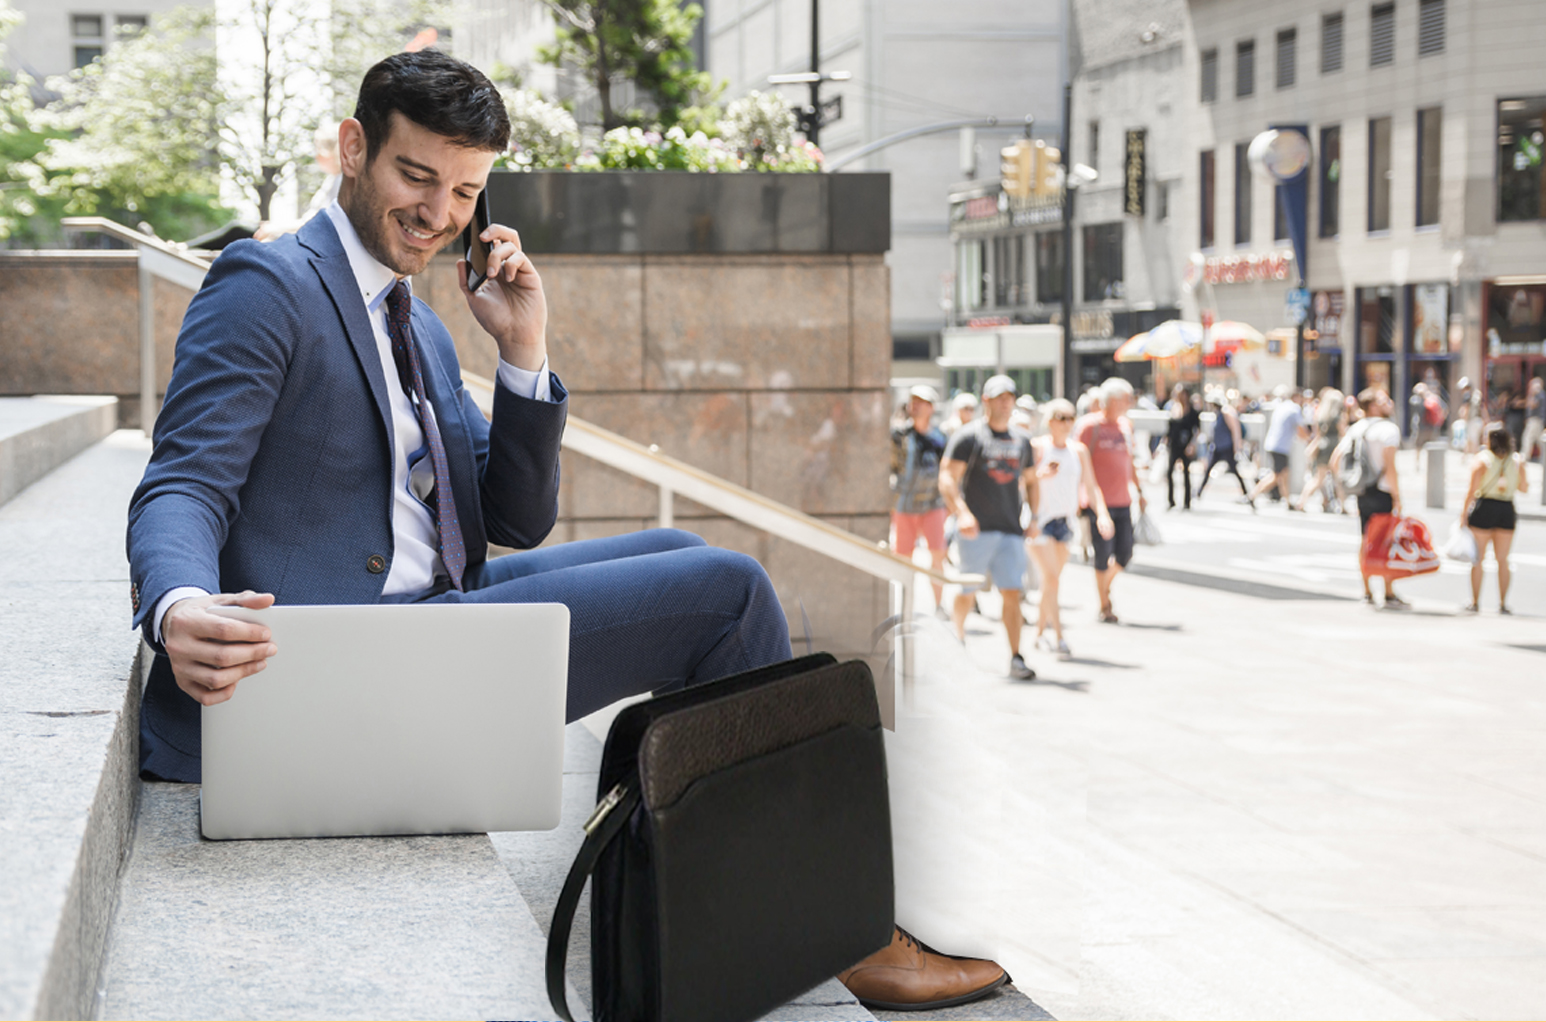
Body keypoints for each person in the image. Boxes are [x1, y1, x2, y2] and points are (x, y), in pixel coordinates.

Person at [127, 49, 1008, 1012]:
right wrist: (178, 606)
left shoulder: (414, 323)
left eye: (465, 190)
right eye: (415, 176)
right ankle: (824, 926)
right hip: (318, 669)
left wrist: (522, 351)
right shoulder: (271, 284)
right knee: (729, 592)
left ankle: (692, 878)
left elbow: (513, 517)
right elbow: (181, 483)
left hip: (420, 623)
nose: (439, 214)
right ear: (352, 149)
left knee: (683, 555)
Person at [939, 375, 1040, 680]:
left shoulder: (1022, 440)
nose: (1005, 402)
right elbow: (947, 478)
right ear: (986, 400)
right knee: (967, 590)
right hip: (976, 530)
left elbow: (1031, 481)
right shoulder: (969, 437)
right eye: (999, 397)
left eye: (1009, 397)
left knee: (1012, 592)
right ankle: (956, 637)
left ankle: (1015, 656)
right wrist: (962, 513)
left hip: (1010, 529)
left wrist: (1034, 517)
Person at [1028, 399, 1111, 657]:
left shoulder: (1079, 451)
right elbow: (1024, 480)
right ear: (1049, 420)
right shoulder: (1037, 447)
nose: (1066, 423)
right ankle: (1060, 638)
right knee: (1051, 580)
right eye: (1061, 417)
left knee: (1050, 583)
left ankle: (1039, 633)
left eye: (1070, 417)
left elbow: (1091, 484)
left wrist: (1102, 515)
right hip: (1039, 521)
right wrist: (1041, 475)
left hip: (1065, 521)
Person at [1076, 377, 1146, 624]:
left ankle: (1104, 590)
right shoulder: (1089, 426)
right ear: (1114, 400)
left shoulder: (1126, 426)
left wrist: (1140, 491)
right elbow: (1077, 463)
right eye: (1127, 399)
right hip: (1098, 503)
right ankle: (1104, 604)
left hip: (1123, 500)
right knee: (1102, 555)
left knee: (1125, 554)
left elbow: (1130, 461)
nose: (1130, 403)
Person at [1331, 388, 1407, 609]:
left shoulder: (1356, 429)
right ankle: (1389, 591)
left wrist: (1345, 486)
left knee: (1365, 539)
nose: (1389, 402)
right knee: (1386, 540)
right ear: (1373, 406)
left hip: (1362, 490)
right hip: (1382, 490)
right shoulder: (1388, 429)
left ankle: (1366, 590)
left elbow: (1336, 460)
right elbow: (1390, 466)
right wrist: (1397, 495)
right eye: (1384, 400)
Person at [890, 385, 950, 615]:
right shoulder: (899, 435)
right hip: (905, 505)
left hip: (933, 505)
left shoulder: (940, 438)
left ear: (931, 407)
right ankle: (905, 606)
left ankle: (939, 605)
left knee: (937, 556)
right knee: (904, 559)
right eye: (913, 400)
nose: (915, 405)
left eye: (921, 401)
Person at [1460, 423, 1529, 614]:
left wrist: (1463, 515)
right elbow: (1524, 488)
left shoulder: (1482, 460)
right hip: (1506, 508)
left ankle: (1474, 602)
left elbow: (1471, 491)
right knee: (1503, 559)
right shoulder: (1516, 461)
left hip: (1485, 507)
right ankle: (1503, 603)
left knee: (1478, 559)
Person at [1244, 385, 1310, 509]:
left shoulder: (1281, 406)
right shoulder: (1294, 408)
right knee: (1276, 475)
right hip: (1281, 445)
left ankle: (1287, 501)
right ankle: (1252, 495)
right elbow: (1301, 430)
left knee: (1283, 474)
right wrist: (1309, 439)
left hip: (1273, 443)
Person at [1297, 387, 1347, 513]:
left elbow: (1317, 434)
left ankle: (1301, 501)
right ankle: (1343, 506)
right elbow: (1343, 432)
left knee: (1318, 479)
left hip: (1322, 446)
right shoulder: (1339, 416)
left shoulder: (1320, 415)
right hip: (1335, 447)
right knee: (1338, 478)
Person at [1195, 388, 1249, 500]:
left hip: (1227, 448)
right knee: (1208, 470)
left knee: (1235, 472)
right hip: (1218, 447)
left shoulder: (1226, 411)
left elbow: (1235, 430)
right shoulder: (1218, 413)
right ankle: (1199, 492)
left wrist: (1236, 447)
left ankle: (1246, 493)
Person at [1164, 384, 1201, 511]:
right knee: (1169, 472)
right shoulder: (1173, 408)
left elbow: (1197, 430)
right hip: (1174, 444)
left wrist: (1192, 444)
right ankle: (1171, 500)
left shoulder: (1192, 412)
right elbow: (1169, 429)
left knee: (1186, 473)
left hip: (1186, 444)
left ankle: (1187, 501)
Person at [1521, 376, 1544, 463]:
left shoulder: (1538, 394)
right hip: (1537, 420)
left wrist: (1531, 394)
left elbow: (1531, 405)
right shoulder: (1540, 395)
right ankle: (1543, 457)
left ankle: (1525, 457)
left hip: (1535, 420)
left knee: (1527, 438)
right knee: (1540, 440)